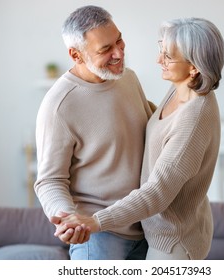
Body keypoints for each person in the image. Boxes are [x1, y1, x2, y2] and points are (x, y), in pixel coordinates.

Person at [53, 17, 224, 260]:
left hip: (173, 243)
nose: (159, 60)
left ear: (194, 66)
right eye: (161, 50)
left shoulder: (194, 116)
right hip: (155, 233)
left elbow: (158, 192)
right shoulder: (180, 89)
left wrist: (95, 221)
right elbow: (153, 124)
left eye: (168, 56)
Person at [34, 5, 153, 260]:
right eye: (105, 49)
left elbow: (155, 126)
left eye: (119, 40)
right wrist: (68, 218)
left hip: (149, 229)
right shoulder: (59, 106)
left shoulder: (128, 79)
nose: (119, 53)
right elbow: (49, 180)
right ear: (76, 55)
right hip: (99, 238)